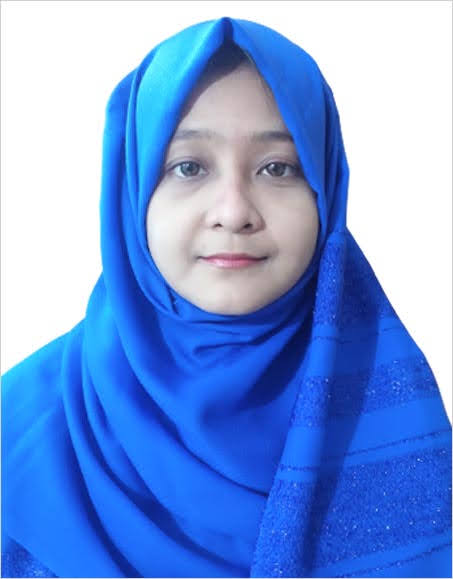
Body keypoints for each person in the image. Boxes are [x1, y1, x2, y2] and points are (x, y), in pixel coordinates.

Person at [1, 16, 451, 578]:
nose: (234, 211)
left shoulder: (391, 414)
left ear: (325, 189)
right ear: (132, 189)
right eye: (189, 167)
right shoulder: (20, 432)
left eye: (277, 168)